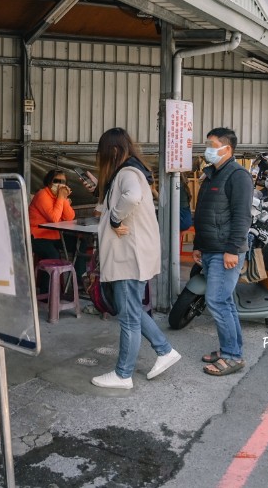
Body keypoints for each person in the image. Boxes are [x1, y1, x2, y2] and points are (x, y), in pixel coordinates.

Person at [90, 128, 181, 390]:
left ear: (114, 152)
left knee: (128, 316)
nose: (102, 159)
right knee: (131, 310)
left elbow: (131, 197)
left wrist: (116, 219)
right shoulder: (130, 171)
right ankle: (165, 351)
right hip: (132, 256)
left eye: (103, 154)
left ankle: (123, 374)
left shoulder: (128, 173)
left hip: (131, 257)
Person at [193, 127, 253, 377]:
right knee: (224, 301)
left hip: (225, 251)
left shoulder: (238, 176)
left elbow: (242, 216)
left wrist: (232, 250)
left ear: (227, 148)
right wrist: (198, 244)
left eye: (212, 144)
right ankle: (230, 349)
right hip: (210, 248)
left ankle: (232, 356)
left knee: (216, 301)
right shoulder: (213, 174)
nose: (207, 149)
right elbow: (205, 213)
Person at [28, 169, 75, 261]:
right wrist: (61, 197)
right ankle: (48, 276)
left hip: (55, 235)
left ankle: (80, 274)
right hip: (37, 236)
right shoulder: (42, 195)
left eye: (63, 182)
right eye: (56, 181)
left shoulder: (58, 196)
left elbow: (70, 217)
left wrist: (64, 198)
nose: (59, 184)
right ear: (49, 182)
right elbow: (54, 218)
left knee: (80, 244)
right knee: (53, 256)